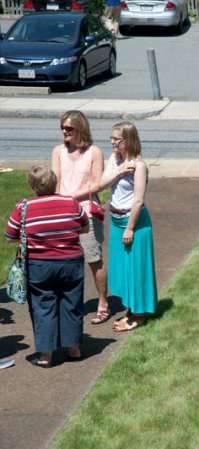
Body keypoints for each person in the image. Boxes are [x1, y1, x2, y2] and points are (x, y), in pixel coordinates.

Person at [5, 166, 89, 367]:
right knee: (72, 303)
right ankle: (74, 349)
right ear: (54, 182)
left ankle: (46, 356)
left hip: (40, 265)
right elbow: (84, 227)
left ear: (33, 186)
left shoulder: (24, 207)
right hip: (71, 262)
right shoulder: (71, 203)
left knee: (43, 306)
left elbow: (9, 236)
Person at [51, 110, 110, 326]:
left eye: (69, 128)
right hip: (63, 212)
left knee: (94, 258)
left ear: (80, 129)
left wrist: (72, 197)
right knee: (63, 261)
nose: (65, 131)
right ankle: (67, 303)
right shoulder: (58, 151)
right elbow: (55, 180)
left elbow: (97, 184)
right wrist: (57, 204)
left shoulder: (94, 152)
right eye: (63, 128)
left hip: (86, 211)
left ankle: (103, 304)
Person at [98, 121, 158, 332]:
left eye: (117, 139)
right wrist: (119, 171)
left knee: (136, 268)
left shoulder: (139, 166)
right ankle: (132, 310)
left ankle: (139, 316)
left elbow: (138, 200)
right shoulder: (115, 159)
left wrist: (130, 228)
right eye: (111, 138)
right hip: (115, 220)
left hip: (133, 222)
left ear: (129, 140)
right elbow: (102, 183)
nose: (112, 142)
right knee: (122, 268)